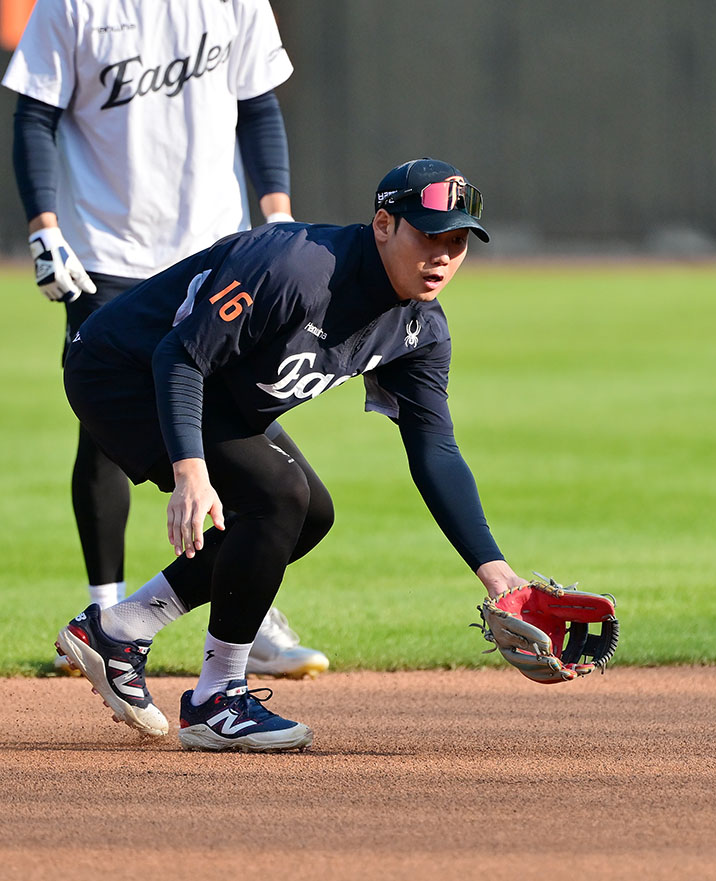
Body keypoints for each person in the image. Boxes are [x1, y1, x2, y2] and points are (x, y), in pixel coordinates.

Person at [55, 157, 529, 752]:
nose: (442, 256)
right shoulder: (297, 268)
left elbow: (434, 450)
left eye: (457, 242)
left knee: (310, 515)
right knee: (278, 497)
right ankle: (216, 700)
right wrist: (190, 470)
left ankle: (119, 630)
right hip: (120, 373)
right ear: (384, 224)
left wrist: (496, 573)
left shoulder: (420, 331)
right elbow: (179, 356)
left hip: (216, 392)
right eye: (429, 235)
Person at [3, 0, 328, 678]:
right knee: (102, 432)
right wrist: (44, 226)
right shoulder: (73, 4)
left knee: (239, 419)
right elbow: (35, 113)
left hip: (216, 250)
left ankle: (252, 606)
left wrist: (277, 216)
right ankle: (105, 607)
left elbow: (258, 105)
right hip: (106, 250)